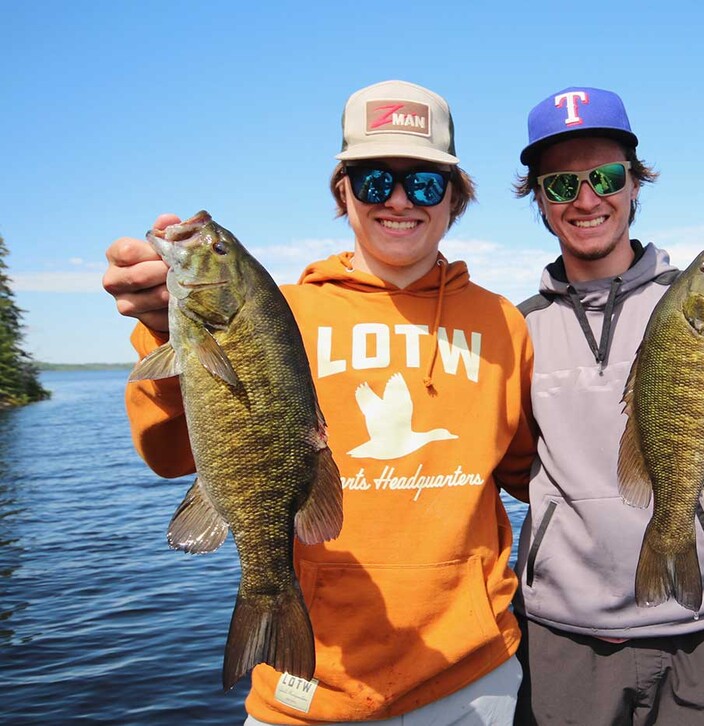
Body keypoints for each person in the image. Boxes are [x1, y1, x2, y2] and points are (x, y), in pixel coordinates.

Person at [102, 80, 535, 725]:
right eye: (372, 180)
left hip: (472, 674)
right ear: (342, 191)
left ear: (455, 195)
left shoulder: (503, 322)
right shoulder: (278, 312)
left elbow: (526, 474)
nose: (398, 201)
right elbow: (169, 456)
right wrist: (165, 332)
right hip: (307, 685)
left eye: (423, 183)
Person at [510, 86, 704, 725]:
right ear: (537, 198)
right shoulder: (517, 329)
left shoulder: (691, 298)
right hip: (564, 634)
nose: (587, 199)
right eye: (561, 185)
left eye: (606, 176)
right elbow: (510, 465)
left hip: (702, 628)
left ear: (635, 183)